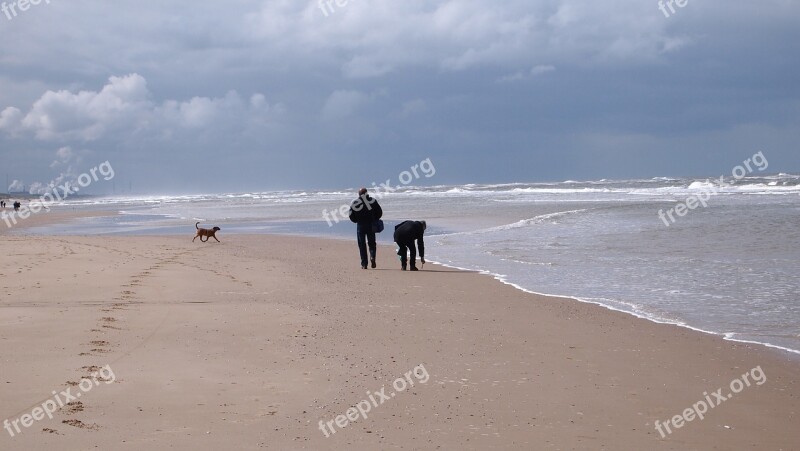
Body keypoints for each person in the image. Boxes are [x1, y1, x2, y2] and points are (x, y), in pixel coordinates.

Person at [348, 188, 383, 269]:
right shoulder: (372, 201)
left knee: (362, 245)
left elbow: (351, 215)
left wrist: (356, 220)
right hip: (371, 225)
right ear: (367, 193)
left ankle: (364, 264)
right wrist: (375, 219)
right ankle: (372, 257)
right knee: (372, 243)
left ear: (359, 194)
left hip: (360, 225)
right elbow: (380, 212)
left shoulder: (355, 203)